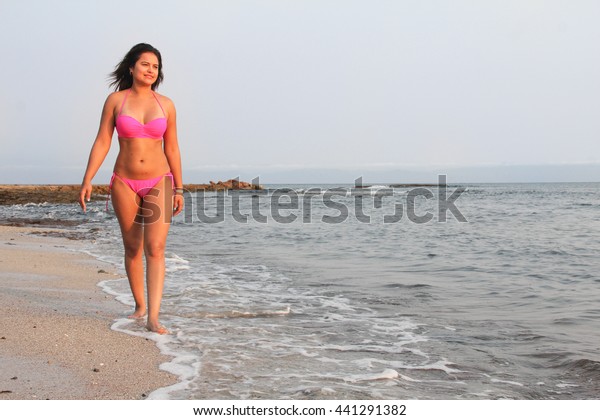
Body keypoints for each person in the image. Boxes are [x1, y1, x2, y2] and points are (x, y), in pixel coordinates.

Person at [79, 43, 184, 334]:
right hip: (124, 181)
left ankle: (153, 316)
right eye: (145, 65)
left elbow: (172, 147)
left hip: (159, 180)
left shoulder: (166, 104)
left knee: (156, 247)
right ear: (131, 67)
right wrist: (88, 179)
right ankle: (139, 305)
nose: (151, 70)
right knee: (133, 247)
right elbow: (102, 141)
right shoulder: (116, 101)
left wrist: (179, 188)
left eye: (155, 67)